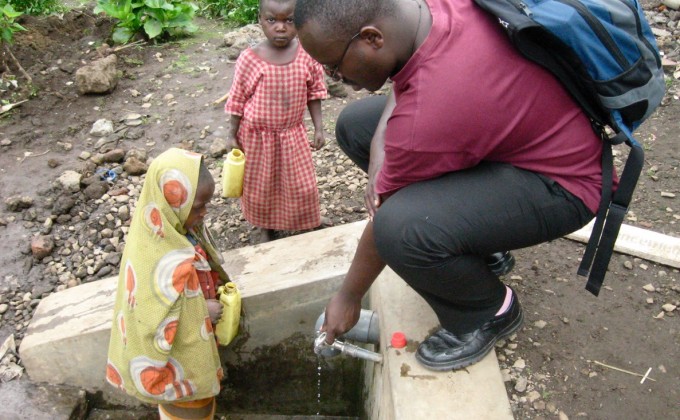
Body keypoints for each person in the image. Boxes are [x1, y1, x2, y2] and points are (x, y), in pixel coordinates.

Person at [294, 0, 602, 371]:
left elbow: (384, 221)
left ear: (372, 38)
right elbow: (410, 78)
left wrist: (348, 296)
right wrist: (379, 149)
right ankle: (478, 248)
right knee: (358, 125)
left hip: (563, 184)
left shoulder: (429, 116)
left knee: (399, 229)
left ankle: (487, 310)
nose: (334, 77)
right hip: (520, 138)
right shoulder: (429, 13)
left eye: (335, 64)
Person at [106, 148, 229, 419]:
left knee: (203, 401)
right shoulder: (154, 253)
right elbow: (150, 318)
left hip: (194, 349)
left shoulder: (181, 229)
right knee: (189, 408)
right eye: (198, 207)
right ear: (171, 203)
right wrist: (201, 311)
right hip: (175, 367)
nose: (205, 213)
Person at [225, 0, 328, 243]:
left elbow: (314, 93)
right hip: (258, 137)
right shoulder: (249, 59)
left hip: (292, 134)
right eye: (272, 20)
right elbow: (237, 98)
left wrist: (319, 128)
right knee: (261, 187)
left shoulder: (307, 55)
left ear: (299, 21)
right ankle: (266, 226)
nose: (280, 27)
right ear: (260, 20)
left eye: (288, 20)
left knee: (302, 184)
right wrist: (232, 134)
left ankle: (308, 218)